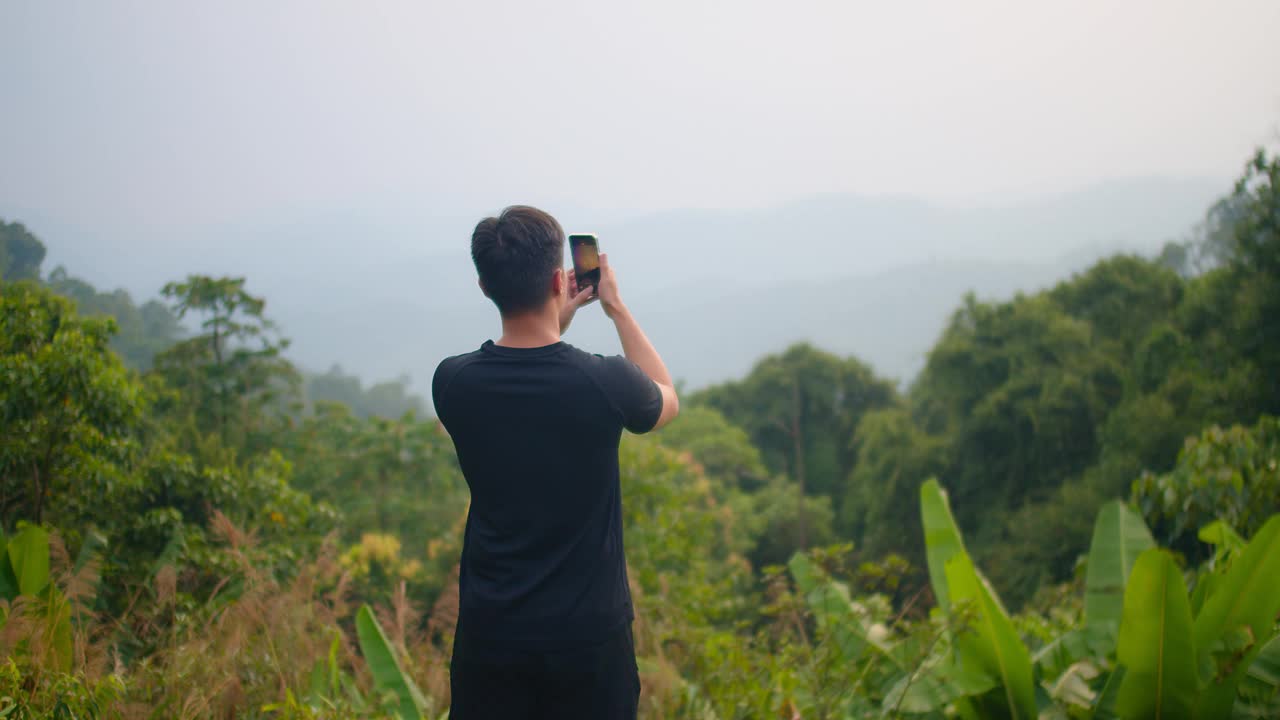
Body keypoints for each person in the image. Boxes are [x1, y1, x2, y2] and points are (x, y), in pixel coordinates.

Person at [432, 205, 680, 719]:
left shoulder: (453, 383)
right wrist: (615, 307)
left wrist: (550, 316)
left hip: (491, 636)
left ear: (483, 286)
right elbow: (666, 400)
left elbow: (529, 367)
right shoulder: (606, 383)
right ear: (556, 279)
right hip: (588, 641)